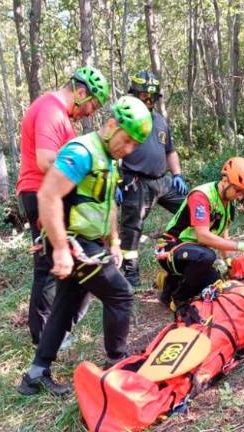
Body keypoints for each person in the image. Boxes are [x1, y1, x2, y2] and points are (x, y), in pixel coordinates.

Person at [17, 96, 153, 396]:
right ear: (111, 125)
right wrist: (61, 249)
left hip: (88, 241)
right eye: (127, 140)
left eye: (134, 146)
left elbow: (107, 206)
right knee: (120, 294)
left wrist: (115, 241)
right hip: (72, 242)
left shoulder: (108, 158)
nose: (128, 149)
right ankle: (117, 367)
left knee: (66, 305)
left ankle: (36, 374)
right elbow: (48, 196)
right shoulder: (82, 152)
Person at [16, 66, 110, 346]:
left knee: (72, 261)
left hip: (51, 192)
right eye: (93, 104)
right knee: (47, 267)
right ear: (81, 93)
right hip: (40, 192)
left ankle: (55, 332)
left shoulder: (60, 117)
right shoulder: (51, 110)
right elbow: (46, 160)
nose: (91, 112)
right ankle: (44, 337)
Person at [155, 157, 244, 308]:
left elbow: (223, 233)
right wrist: (242, 245)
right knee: (206, 256)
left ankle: (170, 286)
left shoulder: (229, 203)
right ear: (225, 180)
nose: (240, 197)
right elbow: (202, 236)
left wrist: (228, 261)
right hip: (169, 247)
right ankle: (179, 299)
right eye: (238, 190)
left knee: (217, 282)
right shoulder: (201, 196)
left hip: (192, 252)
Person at [117, 70, 188, 289]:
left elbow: (170, 150)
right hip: (136, 181)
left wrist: (177, 175)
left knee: (190, 208)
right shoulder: (124, 118)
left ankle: (182, 254)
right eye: (144, 96)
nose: (149, 101)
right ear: (134, 94)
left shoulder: (159, 121)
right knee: (132, 228)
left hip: (163, 180)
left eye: (152, 97)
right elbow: (110, 150)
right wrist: (116, 182)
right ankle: (130, 273)